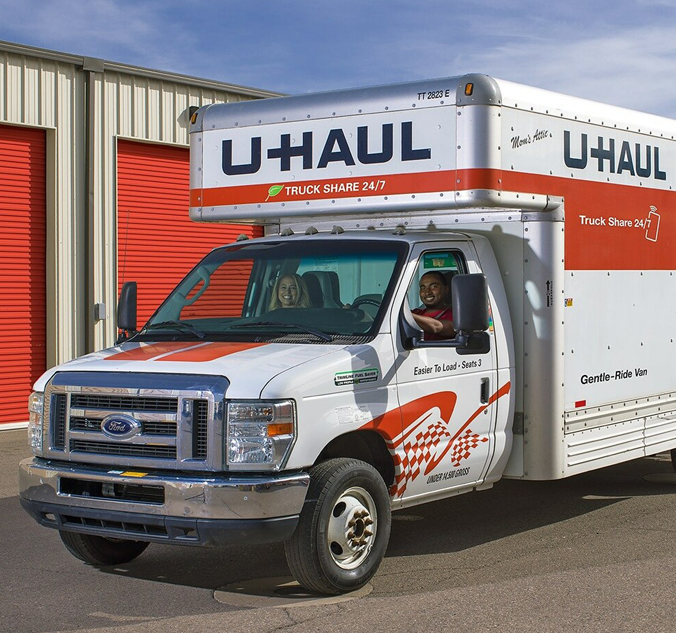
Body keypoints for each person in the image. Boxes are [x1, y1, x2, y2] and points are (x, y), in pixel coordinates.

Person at [411, 271, 455, 340]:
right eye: (423, 288)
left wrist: (405, 315)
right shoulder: (416, 313)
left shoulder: (456, 315)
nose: (427, 292)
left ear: (446, 289)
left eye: (434, 286)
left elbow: (437, 327)